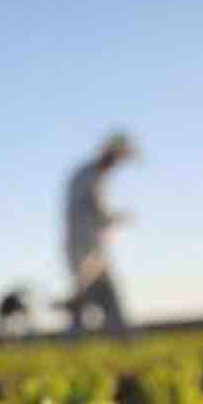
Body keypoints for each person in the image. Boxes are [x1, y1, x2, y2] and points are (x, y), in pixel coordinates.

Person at [62, 132, 136, 337]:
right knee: (87, 297)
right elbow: (94, 210)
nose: (118, 164)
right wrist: (116, 218)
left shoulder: (92, 175)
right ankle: (79, 341)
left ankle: (121, 337)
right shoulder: (89, 175)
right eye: (118, 158)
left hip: (93, 249)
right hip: (85, 249)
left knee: (104, 297)